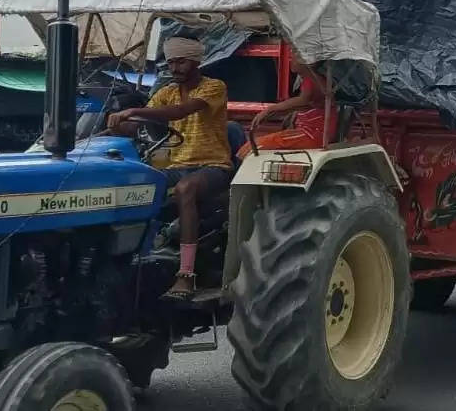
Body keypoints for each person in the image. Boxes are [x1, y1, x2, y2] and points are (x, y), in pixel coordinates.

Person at [109, 37, 231, 300]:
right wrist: (120, 123)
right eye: (171, 62)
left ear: (196, 61)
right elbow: (140, 123)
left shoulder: (214, 88)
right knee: (138, 183)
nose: (175, 68)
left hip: (212, 166)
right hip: (176, 165)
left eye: (181, 61)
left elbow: (179, 112)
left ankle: (186, 275)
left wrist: (133, 110)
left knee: (186, 189)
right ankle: (138, 258)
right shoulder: (166, 92)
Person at [240, 58, 333, 155]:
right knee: (253, 144)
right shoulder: (310, 78)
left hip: (311, 134)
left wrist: (269, 110)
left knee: (254, 147)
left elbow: (304, 100)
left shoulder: (312, 79)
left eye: (295, 54)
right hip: (308, 132)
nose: (290, 59)